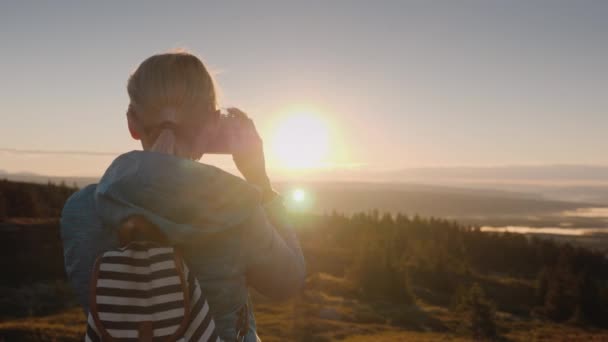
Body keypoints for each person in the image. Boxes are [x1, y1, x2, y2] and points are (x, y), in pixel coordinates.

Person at [60, 50, 306, 341]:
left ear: (132, 123)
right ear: (213, 124)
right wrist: (259, 182)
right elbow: (287, 282)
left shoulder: (80, 211)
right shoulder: (237, 208)